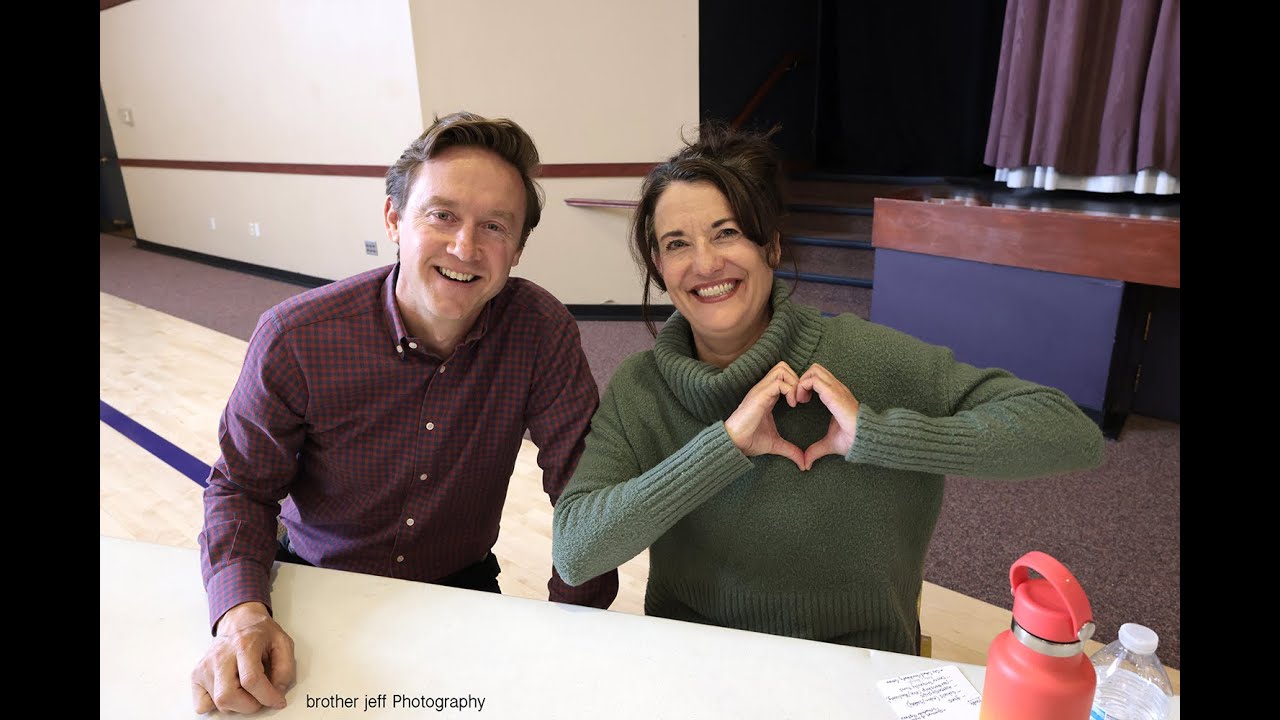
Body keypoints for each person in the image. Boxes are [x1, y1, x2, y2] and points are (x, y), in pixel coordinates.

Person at [551, 120, 1105, 657]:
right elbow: (575, 552)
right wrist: (724, 447)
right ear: (658, 265)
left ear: (771, 246)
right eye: (677, 243)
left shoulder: (868, 358)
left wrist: (881, 435)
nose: (705, 262)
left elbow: (1068, 431)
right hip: (699, 662)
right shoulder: (641, 388)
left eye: (728, 233)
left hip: (857, 665)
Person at [191, 111, 618, 714]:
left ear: (518, 249)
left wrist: (576, 630)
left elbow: (584, 492)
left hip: (462, 585)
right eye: (441, 214)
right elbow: (239, 488)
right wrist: (240, 615)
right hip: (312, 582)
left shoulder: (539, 332)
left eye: (494, 226)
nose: (465, 247)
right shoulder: (296, 337)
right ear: (393, 218)